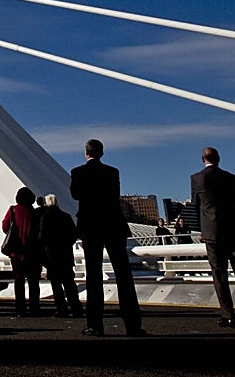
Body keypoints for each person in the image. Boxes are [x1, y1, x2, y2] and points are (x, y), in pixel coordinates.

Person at [70, 138, 143, 337]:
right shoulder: (112, 172)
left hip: (90, 227)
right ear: (102, 153)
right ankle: (133, 325)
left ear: (86, 153)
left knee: (93, 276)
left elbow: (75, 195)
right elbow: (114, 195)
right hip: (113, 225)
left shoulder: (78, 172)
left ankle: (95, 325)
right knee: (123, 275)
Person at [191, 148, 235, 328]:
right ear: (219, 158)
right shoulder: (232, 178)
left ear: (202, 159)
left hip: (212, 232)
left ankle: (228, 316)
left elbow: (195, 203)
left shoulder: (197, 178)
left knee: (219, 274)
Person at [38, 193, 83, 318]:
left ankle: (61, 309)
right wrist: (67, 244)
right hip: (66, 254)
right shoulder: (66, 216)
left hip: (52, 256)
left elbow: (42, 237)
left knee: (56, 284)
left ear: (46, 203)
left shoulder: (45, 218)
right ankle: (76, 307)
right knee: (69, 283)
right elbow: (74, 234)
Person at [1, 186, 41, 316]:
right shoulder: (35, 213)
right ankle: (34, 308)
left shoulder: (13, 210)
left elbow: (5, 226)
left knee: (19, 281)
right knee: (33, 281)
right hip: (33, 252)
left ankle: (20, 309)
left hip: (16, 252)